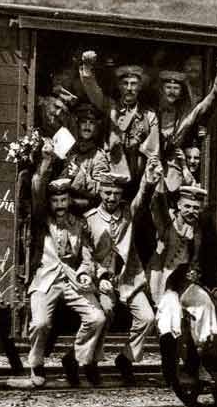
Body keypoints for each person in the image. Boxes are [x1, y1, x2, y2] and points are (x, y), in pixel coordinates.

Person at [26, 140, 106, 388]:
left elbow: (87, 255)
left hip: (72, 279)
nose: (59, 205)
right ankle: (36, 364)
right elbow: (37, 189)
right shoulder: (42, 220)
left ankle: (78, 358)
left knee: (97, 318)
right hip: (46, 279)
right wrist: (47, 161)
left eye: (63, 200)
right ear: (50, 203)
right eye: (55, 201)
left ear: (68, 200)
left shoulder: (78, 223)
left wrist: (85, 273)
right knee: (40, 323)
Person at [84, 158, 162, 385]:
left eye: (116, 194)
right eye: (107, 193)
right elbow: (87, 254)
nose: (111, 198)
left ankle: (126, 359)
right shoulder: (89, 220)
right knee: (105, 312)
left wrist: (148, 178)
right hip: (103, 281)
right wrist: (99, 277)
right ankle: (91, 361)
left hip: (129, 279)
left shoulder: (129, 213)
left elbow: (142, 198)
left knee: (147, 318)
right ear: (100, 191)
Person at [149, 185, 217, 389]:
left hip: (185, 283)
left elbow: (196, 260)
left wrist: (195, 274)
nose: (191, 211)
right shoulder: (166, 223)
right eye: (187, 206)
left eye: (196, 207)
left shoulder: (198, 228)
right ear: (178, 206)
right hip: (164, 283)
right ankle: (169, 373)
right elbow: (156, 205)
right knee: (170, 317)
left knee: (205, 306)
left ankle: (197, 363)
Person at [79, 50, 160, 191]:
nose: (129, 88)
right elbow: (93, 91)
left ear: (140, 87)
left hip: (138, 175)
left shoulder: (149, 115)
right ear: (119, 86)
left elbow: (153, 151)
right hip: (112, 174)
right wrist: (87, 68)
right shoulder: (110, 106)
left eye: (134, 84)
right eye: (125, 84)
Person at [60, 103, 111, 214]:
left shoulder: (99, 156)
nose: (87, 126)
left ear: (96, 127)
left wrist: (79, 175)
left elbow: (100, 190)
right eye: (84, 122)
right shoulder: (70, 151)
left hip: (87, 210)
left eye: (91, 123)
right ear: (78, 125)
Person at [172, 56, 217, 149]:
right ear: (183, 68)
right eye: (189, 64)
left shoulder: (205, 88)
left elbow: (213, 97)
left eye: (196, 64)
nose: (193, 67)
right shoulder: (178, 90)